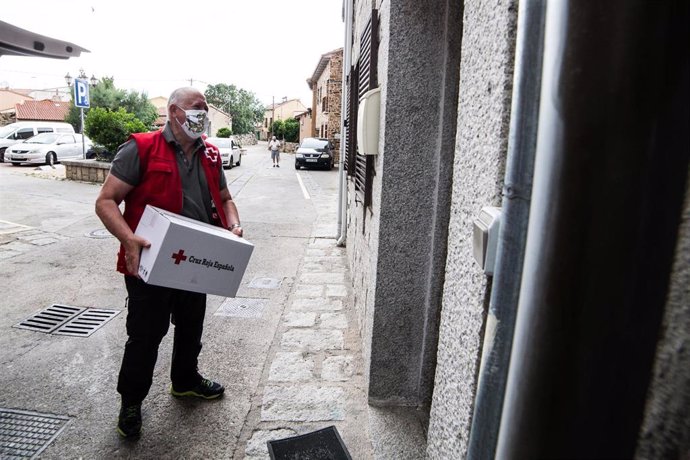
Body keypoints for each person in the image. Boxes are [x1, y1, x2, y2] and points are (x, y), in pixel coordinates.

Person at [95, 87, 243, 439]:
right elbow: (106, 201)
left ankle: (186, 381)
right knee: (145, 337)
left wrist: (234, 224)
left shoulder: (210, 154)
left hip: (195, 262)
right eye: (197, 108)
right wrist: (127, 239)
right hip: (150, 262)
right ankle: (131, 403)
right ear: (174, 111)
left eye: (205, 110)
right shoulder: (141, 148)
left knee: (191, 328)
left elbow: (224, 197)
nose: (203, 115)